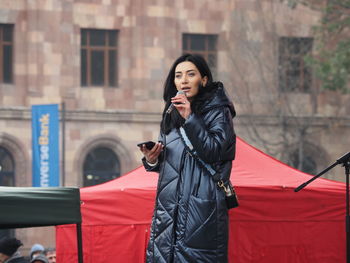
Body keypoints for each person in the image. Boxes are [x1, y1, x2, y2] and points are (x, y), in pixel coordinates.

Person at [139, 54, 236, 262]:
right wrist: (153, 159)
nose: (183, 80)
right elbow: (173, 163)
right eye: (178, 75)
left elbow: (214, 151)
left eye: (190, 74)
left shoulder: (219, 111)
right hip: (168, 209)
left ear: (204, 79)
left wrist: (190, 117)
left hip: (201, 211)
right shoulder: (171, 112)